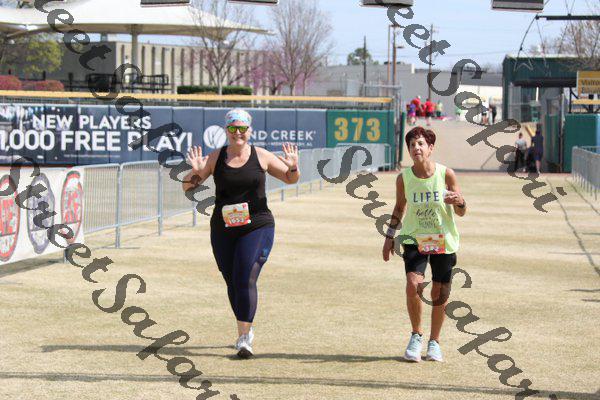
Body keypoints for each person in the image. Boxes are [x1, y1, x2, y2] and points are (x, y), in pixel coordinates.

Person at [182, 108, 300, 359]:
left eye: (242, 128)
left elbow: (290, 179)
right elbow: (188, 188)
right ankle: (245, 324)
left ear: (250, 130)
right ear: (226, 130)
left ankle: (244, 338)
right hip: (223, 229)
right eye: (233, 128)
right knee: (232, 281)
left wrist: (293, 167)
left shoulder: (262, 156)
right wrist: (195, 172)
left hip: (256, 225)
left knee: (245, 276)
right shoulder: (216, 157)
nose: (238, 133)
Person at [382, 126, 466, 363]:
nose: (416, 148)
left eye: (420, 144)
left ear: (430, 148)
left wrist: (460, 201)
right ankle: (416, 335)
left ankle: (434, 342)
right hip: (414, 238)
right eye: (411, 145)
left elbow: (461, 211)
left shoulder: (446, 174)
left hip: (442, 240)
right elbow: (399, 207)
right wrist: (389, 237)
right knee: (413, 284)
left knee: (439, 292)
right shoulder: (404, 178)